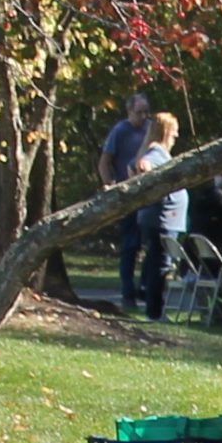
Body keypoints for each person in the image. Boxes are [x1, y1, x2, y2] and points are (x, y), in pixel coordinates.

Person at [98, 92, 152, 309]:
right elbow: (104, 161)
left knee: (153, 244)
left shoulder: (150, 130)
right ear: (129, 111)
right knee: (130, 245)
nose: (143, 116)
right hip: (127, 194)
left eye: (146, 112)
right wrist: (109, 184)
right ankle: (127, 293)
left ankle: (145, 289)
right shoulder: (120, 131)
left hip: (148, 194)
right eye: (139, 112)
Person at [131, 112, 186, 323]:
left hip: (164, 219)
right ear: (165, 132)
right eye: (174, 132)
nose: (177, 136)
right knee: (160, 266)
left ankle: (153, 306)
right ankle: (154, 312)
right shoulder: (155, 152)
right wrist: (145, 173)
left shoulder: (160, 152)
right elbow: (142, 165)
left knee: (158, 263)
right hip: (162, 219)